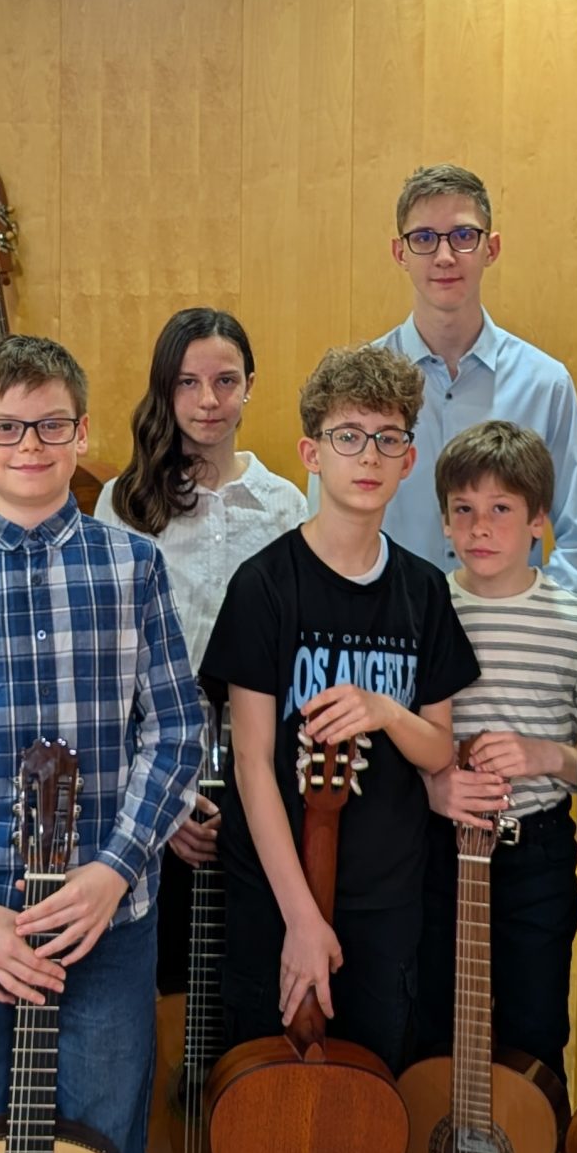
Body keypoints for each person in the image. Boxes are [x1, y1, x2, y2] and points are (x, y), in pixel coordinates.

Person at [0, 334, 204, 1153]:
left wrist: (113, 871)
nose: (29, 445)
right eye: (6, 427)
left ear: (82, 433)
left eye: (50, 425)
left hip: (108, 916)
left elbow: (177, 731)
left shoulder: (134, 567)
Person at [203, 344, 479, 1073]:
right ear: (312, 453)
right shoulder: (263, 586)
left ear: (409, 460)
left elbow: (438, 750)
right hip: (274, 894)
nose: (369, 456)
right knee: (263, 1102)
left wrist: (385, 710)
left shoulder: (424, 591)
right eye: (348, 436)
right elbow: (251, 766)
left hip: (386, 897)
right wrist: (300, 918)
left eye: (388, 439)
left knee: (373, 1098)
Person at [94, 307, 309, 1009]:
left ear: (251, 386)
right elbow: (112, 661)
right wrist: (167, 802)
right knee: (160, 984)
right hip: (154, 766)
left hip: (257, 765)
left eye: (225, 380)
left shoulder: (285, 506)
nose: (208, 400)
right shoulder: (124, 501)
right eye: (188, 382)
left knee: (244, 976)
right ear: (165, 388)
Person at [411, 420, 577, 1081]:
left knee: (535, 1030)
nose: (480, 528)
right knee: (433, 1029)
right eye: (463, 510)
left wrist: (547, 756)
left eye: (501, 509)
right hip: (436, 852)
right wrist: (433, 787)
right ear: (444, 521)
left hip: (536, 858)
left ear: (538, 520)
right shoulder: (424, 607)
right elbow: (398, 740)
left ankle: (538, 1152)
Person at [372, 163, 577, 598]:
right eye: (423, 238)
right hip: (390, 627)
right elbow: (331, 530)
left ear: (491, 248)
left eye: (463, 236)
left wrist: (533, 619)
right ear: (399, 253)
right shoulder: (359, 387)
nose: (444, 256)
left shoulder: (545, 383)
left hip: (511, 629)